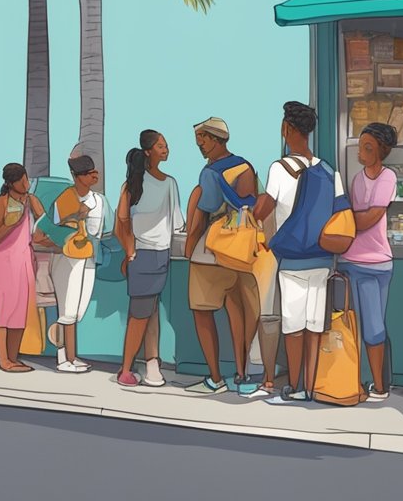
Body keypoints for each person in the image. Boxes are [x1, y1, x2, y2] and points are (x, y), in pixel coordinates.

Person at [253, 101, 355, 405]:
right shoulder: (328, 170)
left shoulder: (279, 168)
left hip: (293, 260)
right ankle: (311, 387)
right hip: (323, 259)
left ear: (287, 129)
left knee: (293, 327)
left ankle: (295, 386)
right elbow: (341, 213)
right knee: (314, 327)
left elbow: (263, 210)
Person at [182, 117, 262, 396]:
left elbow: (204, 211)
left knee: (203, 313)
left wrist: (189, 246)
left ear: (216, 139)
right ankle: (242, 375)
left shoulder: (210, 173)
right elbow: (252, 205)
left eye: (203, 140)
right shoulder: (246, 167)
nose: (200, 146)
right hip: (240, 253)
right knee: (239, 314)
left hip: (211, 253)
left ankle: (215, 378)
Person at [114, 130, 184, 387]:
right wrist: (130, 250)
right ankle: (126, 369)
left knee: (150, 310)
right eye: (160, 146)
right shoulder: (134, 183)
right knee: (140, 314)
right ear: (148, 151)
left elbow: (177, 224)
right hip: (143, 256)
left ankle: (152, 362)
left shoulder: (170, 183)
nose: (166, 149)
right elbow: (120, 222)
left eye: (166, 145)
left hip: (161, 254)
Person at [0, 164, 53, 372]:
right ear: (10, 183)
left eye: (26, 179)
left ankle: (13, 357)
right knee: (4, 314)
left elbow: (42, 228)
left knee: (21, 313)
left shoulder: (32, 201)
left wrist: (56, 240)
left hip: (24, 263)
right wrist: (11, 224)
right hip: (2, 264)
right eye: (21, 181)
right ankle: (4, 360)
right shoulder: (1, 203)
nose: (25, 184)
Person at [343, 122, 400, 402]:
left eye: (368, 147)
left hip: (374, 262)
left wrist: (343, 221)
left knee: (373, 327)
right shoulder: (357, 179)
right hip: (352, 260)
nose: (362, 152)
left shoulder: (387, 177)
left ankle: (378, 386)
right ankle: (357, 382)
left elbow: (369, 218)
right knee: (354, 326)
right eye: (361, 146)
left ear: (382, 151)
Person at [47, 154, 110, 373]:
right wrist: (77, 217)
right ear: (75, 176)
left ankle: (72, 356)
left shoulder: (99, 201)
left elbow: (104, 230)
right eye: (86, 173)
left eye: (93, 171)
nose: (93, 175)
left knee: (78, 310)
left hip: (89, 258)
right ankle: (64, 358)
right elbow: (50, 228)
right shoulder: (65, 198)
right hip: (68, 258)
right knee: (67, 310)